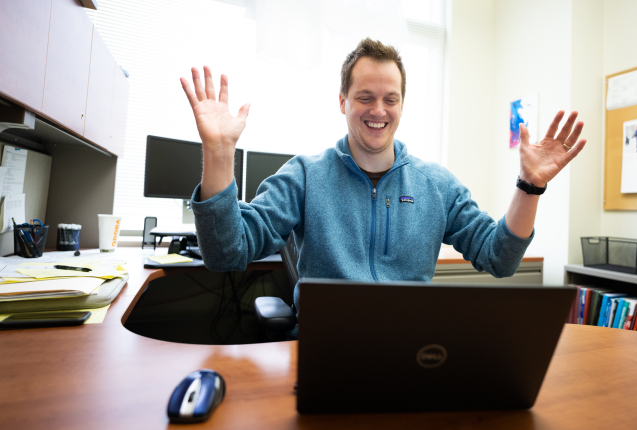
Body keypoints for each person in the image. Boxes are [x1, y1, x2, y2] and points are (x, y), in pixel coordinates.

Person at [179, 38, 586, 311]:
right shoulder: (305, 175)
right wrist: (217, 153)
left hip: (412, 348)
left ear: (402, 104)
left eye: (390, 99)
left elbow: (500, 258)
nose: (378, 110)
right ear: (342, 102)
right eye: (365, 97)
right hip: (328, 348)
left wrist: (530, 186)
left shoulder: (436, 185)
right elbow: (226, 253)